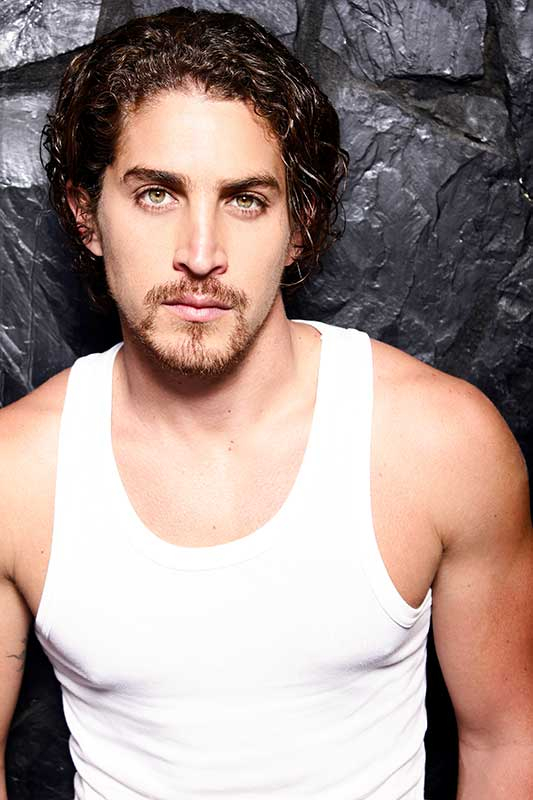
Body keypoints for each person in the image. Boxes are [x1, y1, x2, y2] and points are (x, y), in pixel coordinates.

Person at [1, 7, 532, 799]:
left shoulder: (438, 443)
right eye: (156, 194)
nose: (201, 254)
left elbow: (507, 742)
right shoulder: (16, 472)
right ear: (87, 215)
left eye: (245, 199)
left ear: (299, 225)